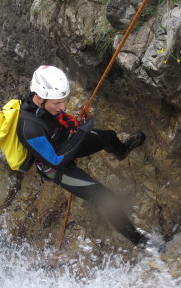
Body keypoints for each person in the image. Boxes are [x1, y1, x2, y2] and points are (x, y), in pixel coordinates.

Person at [17, 65, 158, 251]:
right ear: (40, 98)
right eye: (57, 103)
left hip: (65, 142)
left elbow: (57, 121)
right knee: (106, 197)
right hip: (56, 166)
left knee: (108, 136)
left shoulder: (43, 104)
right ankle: (141, 242)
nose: (63, 106)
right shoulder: (29, 129)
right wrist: (82, 132)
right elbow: (57, 160)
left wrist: (74, 125)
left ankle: (121, 151)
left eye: (63, 101)